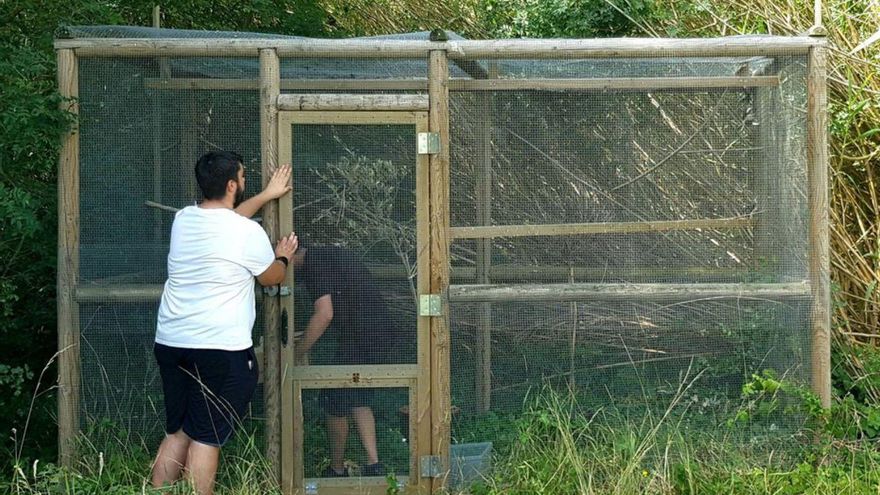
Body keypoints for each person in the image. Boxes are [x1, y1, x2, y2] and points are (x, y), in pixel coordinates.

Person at [151, 150, 298, 495]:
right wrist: (283, 257)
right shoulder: (245, 233)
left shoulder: (185, 219)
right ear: (232, 184)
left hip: (172, 342)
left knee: (179, 431)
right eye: (244, 178)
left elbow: (228, 220)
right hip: (219, 349)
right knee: (207, 436)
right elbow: (271, 277)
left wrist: (264, 196)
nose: (245, 183)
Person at [293, 245, 397, 477]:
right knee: (357, 398)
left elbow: (324, 314)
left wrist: (297, 353)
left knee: (334, 401)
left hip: (361, 335)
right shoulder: (331, 254)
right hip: (377, 332)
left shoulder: (315, 263)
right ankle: (374, 465)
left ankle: (337, 470)